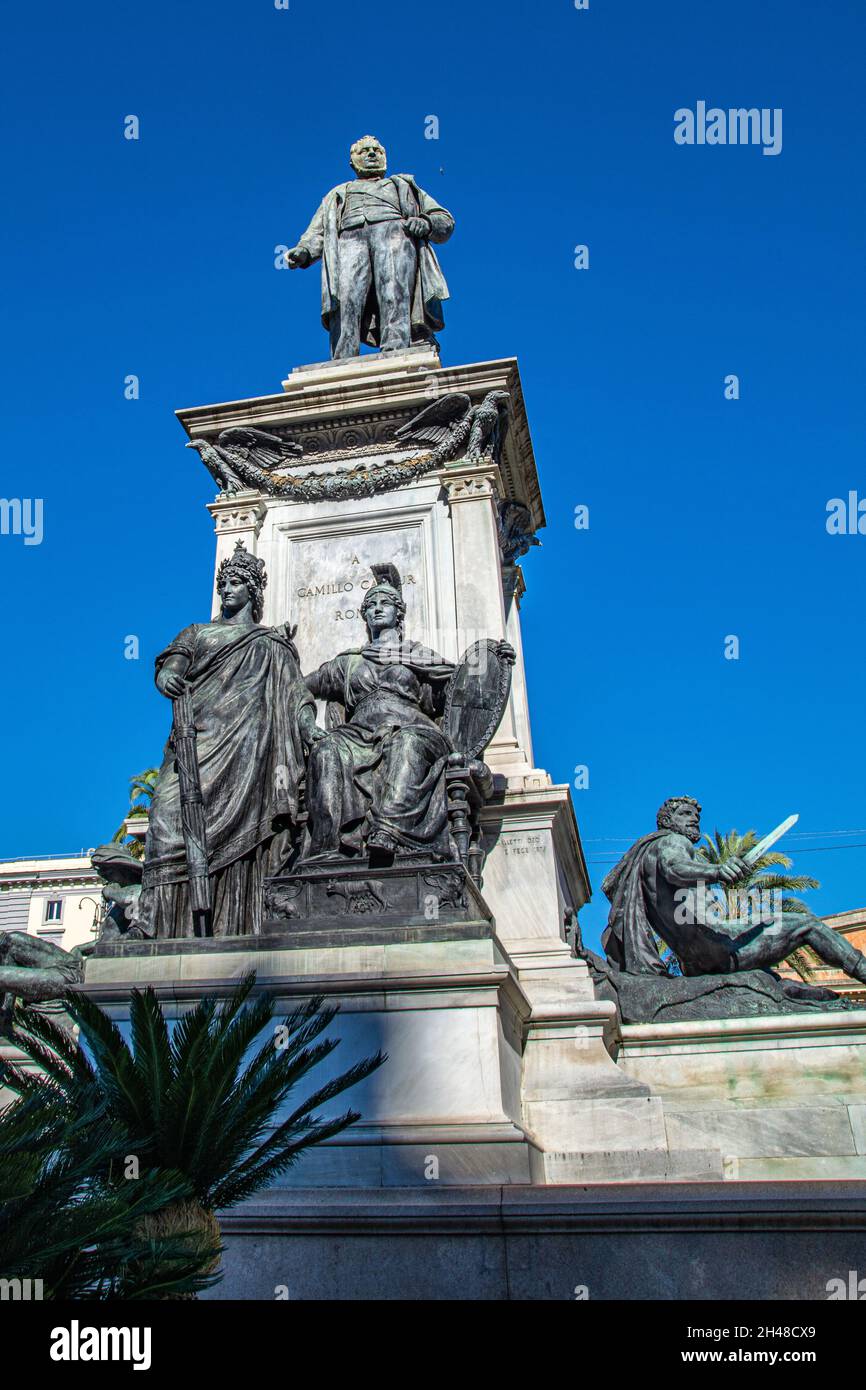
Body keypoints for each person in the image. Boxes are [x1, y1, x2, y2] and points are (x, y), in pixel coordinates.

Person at [139, 543, 317, 937]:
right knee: (166, 817)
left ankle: (227, 923)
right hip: (197, 740)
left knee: (241, 836)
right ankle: (155, 924)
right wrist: (166, 676)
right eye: (224, 583)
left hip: (249, 752)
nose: (227, 590)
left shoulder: (271, 645)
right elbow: (173, 665)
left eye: (236, 583)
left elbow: (294, 695)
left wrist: (311, 731)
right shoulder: (198, 632)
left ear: (253, 591)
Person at [602, 795, 866, 983]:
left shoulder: (648, 851)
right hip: (715, 947)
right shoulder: (673, 842)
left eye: (696, 816)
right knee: (807, 924)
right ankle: (862, 969)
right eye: (685, 814)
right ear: (667, 820)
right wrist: (717, 871)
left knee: (773, 982)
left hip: (691, 959)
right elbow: (674, 868)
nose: (694, 820)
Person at [285, 135, 454, 359]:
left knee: (394, 291)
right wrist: (304, 251)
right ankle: (343, 356)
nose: (372, 154)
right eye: (364, 151)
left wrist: (426, 222)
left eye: (377, 150)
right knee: (346, 299)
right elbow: (318, 232)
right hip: (348, 240)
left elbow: (444, 219)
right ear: (352, 162)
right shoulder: (337, 194)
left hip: (395, 233)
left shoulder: (403, 185)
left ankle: (396, 349)